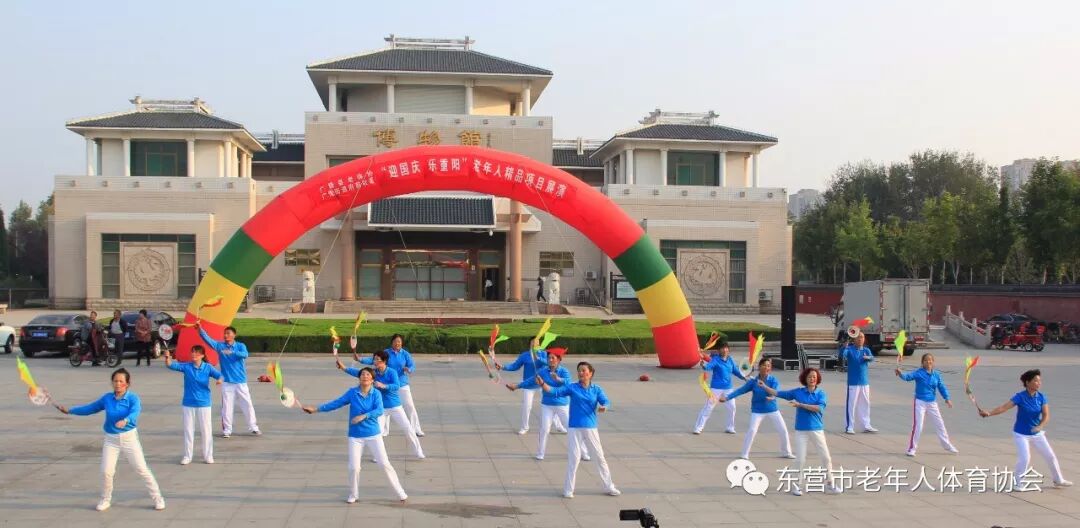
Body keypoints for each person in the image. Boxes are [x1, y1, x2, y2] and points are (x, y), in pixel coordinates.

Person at [56, 368, 165, 511]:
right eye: (115, 381)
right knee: (106, 471)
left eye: (121, 381)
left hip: (129, 438)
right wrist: (70, 410)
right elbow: (90, 408)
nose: (118, 384)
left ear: (127, 383)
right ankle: (105, 499)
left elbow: (135, 413)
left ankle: (158, 498)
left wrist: (126, 420)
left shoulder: (133, 398)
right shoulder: (107, 398)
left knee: (141, 469)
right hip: (111, 439)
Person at [303, 367, 408, 504]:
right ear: (359, 378)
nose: (365, 376)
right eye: (362, 374)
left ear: (372, 379)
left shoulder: (376, 394)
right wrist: (316, 409)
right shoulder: (352, 393)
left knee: (384, 464)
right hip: (355, 436)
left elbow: (379, 410)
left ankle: (400, 492)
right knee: (354, 467)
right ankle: (354, 494)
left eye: (368, 374)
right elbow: (336, 403)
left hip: (373, 435)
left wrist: (364, 416)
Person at [537, 361, 620, 498]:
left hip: (590, 427)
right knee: (574, 458)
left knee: (599, 457)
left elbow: (606, 401)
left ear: (590, 373)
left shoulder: (596, 389)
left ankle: (609, 486)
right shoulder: (572, 387)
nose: (581, 373)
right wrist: (542, 384)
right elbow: (555, 392)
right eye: (579, 370)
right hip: (574, 427)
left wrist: (604, 407)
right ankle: (568, 490)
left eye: (583, 370)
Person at [979, 369, 1072, 488]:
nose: (1039, 383)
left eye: (1040, 381)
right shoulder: (1020, 397)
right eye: (1036, 381)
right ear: (1027, 382)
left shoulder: (1041, 397)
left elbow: (1046, 415)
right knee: (1025, 458)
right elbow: (1004, 407)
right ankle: (1018, 483)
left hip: (1037, 434)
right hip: (1021, 434)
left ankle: (1058, 479)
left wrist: (1040, 426)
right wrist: (989, 413)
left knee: (1050, 456)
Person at [759, 367, 842, 496]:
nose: (812, 379)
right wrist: (764, 386)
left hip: (817, 430)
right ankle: (796, 485)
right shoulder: (798, 392)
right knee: (800, 460)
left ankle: (830, 484)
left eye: (814, 377)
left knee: (826, 457)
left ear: (817, 379)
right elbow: (779, 393)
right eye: (809, 377)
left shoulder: (821, 393)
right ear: (805, 379)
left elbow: (818, 408)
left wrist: (800, 405)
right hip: (801, 431)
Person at [337, 350, 424, 459]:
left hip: (395, 406)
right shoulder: (373, 373)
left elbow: (396, 386)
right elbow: (357, 372)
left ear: (384, 361)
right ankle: (378, 456)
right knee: (378, 433)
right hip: (380, 408)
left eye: (377, 359)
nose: (375, 361)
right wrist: (343, 367)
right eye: (374, 359)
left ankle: (418, 452)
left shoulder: (391, 372)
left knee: (407, 429)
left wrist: (384, 386)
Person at [721, 357, 794, 460]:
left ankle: (786, 452)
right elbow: (740, 391)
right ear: (759, 367)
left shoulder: (773, 380)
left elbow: (776, 391)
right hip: (758, 410)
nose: (766, 368)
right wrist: (727, 397)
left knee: (783, 430)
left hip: (772, 409)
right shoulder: (753, 382)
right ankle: (744, 454)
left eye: (768, 366)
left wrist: (772, 397)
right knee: (752, 430)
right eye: (764, 365)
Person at [198, 324, 260, 438]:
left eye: (228, 333)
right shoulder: (220, 346)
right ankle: (227, 430)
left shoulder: (240, 346)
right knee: (227, 407)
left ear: (234, 335)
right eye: (225, 333)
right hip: (227, 382)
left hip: (241, 381)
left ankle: (253, 427)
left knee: (247, 404)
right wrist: (200, 329)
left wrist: (232, 352)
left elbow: (245, 354)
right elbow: (208, 340)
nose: (226, 335)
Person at [356, 334, 423, 436]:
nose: (397, 343)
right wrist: (360, 359)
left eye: (399, 341)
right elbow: (374, 360)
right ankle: (384, 430)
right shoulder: (386, 353)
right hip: (386, 385)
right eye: (395, 341)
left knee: (409, 406)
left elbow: (412, 365)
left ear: (402, 343)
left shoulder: (405, 354)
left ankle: (416, 429)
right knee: (385, 407)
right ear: (392, 342)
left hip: (402, 384)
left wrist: (409, 369)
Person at [165, 344, 221, 464]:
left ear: (202, 355)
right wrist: (167, 357)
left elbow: (220, 375)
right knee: (188, 430)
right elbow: (170, 365)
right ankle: (187, 456)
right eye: (192, 352)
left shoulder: (208, 367)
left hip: (204, 403)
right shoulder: (186, 366)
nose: (194, 354)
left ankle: (208, 455)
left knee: (206, 430)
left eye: (196, 352)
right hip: (188, 403)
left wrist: (219, 380)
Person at [498, 338, 567, 435]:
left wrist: (537, 357)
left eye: (537, 343)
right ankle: (524, 427)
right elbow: (515, 366)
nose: (535, 344)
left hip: (543, 383)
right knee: (527, 406)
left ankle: (559, 426)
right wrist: (503, 367)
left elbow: (549, 363)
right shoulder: (524, 355)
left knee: (551, 404)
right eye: (533, 342)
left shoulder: (544, 354)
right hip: (529, 384)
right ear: (530, 344)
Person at [895, 353, 958, 457]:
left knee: (940, 424)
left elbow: (941, 386)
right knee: (918, 426)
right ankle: (912, 449)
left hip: (932, 403)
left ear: (933, 362)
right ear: (922, 362)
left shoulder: (936, 374)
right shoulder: (919, 373)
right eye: (926, 360)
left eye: (930, 360)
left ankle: (947, 446)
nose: (928, 362)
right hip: (920, 402)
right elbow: (908, 377)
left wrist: (947, 398)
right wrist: (901, 374)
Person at [535, 348, 589, 461]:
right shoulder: (543, 371)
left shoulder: (564, 371)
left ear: (559, 360)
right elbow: (531, 381)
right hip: (547, 405)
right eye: (549, 358)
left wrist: (558, 379)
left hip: (562, 405)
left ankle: (583, 452)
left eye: (553, 358)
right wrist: (517, 386)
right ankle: (540, 453)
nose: (550, 360)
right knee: (544, 429)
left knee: (572, 429)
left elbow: (569, 383)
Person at [693, 343, 746, 434]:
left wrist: (744, 377)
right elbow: (709, 366)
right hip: (716, 388)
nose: (725, 350)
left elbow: (736, 371)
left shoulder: (730, 360)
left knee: (732, 407)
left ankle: (730, 427)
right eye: (722, 348)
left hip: (728, 388)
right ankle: (698, 427)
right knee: (708, 408)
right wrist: (703, 365)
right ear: (718, 351)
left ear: (728, 350)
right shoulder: (716, 359)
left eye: (726, 348)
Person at [842, 333, 877, 434]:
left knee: (865, 403)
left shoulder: (866, 350)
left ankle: (866, 425)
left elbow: (872, 358)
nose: (860, 339)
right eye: (858, 337)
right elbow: (843, 355)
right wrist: (845, 347)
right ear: (854, 339)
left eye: (862, 337)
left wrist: (868, 358)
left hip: (864, 382)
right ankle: (850, 426)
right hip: (853, 382)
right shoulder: (850, 349)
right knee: (851, 404)